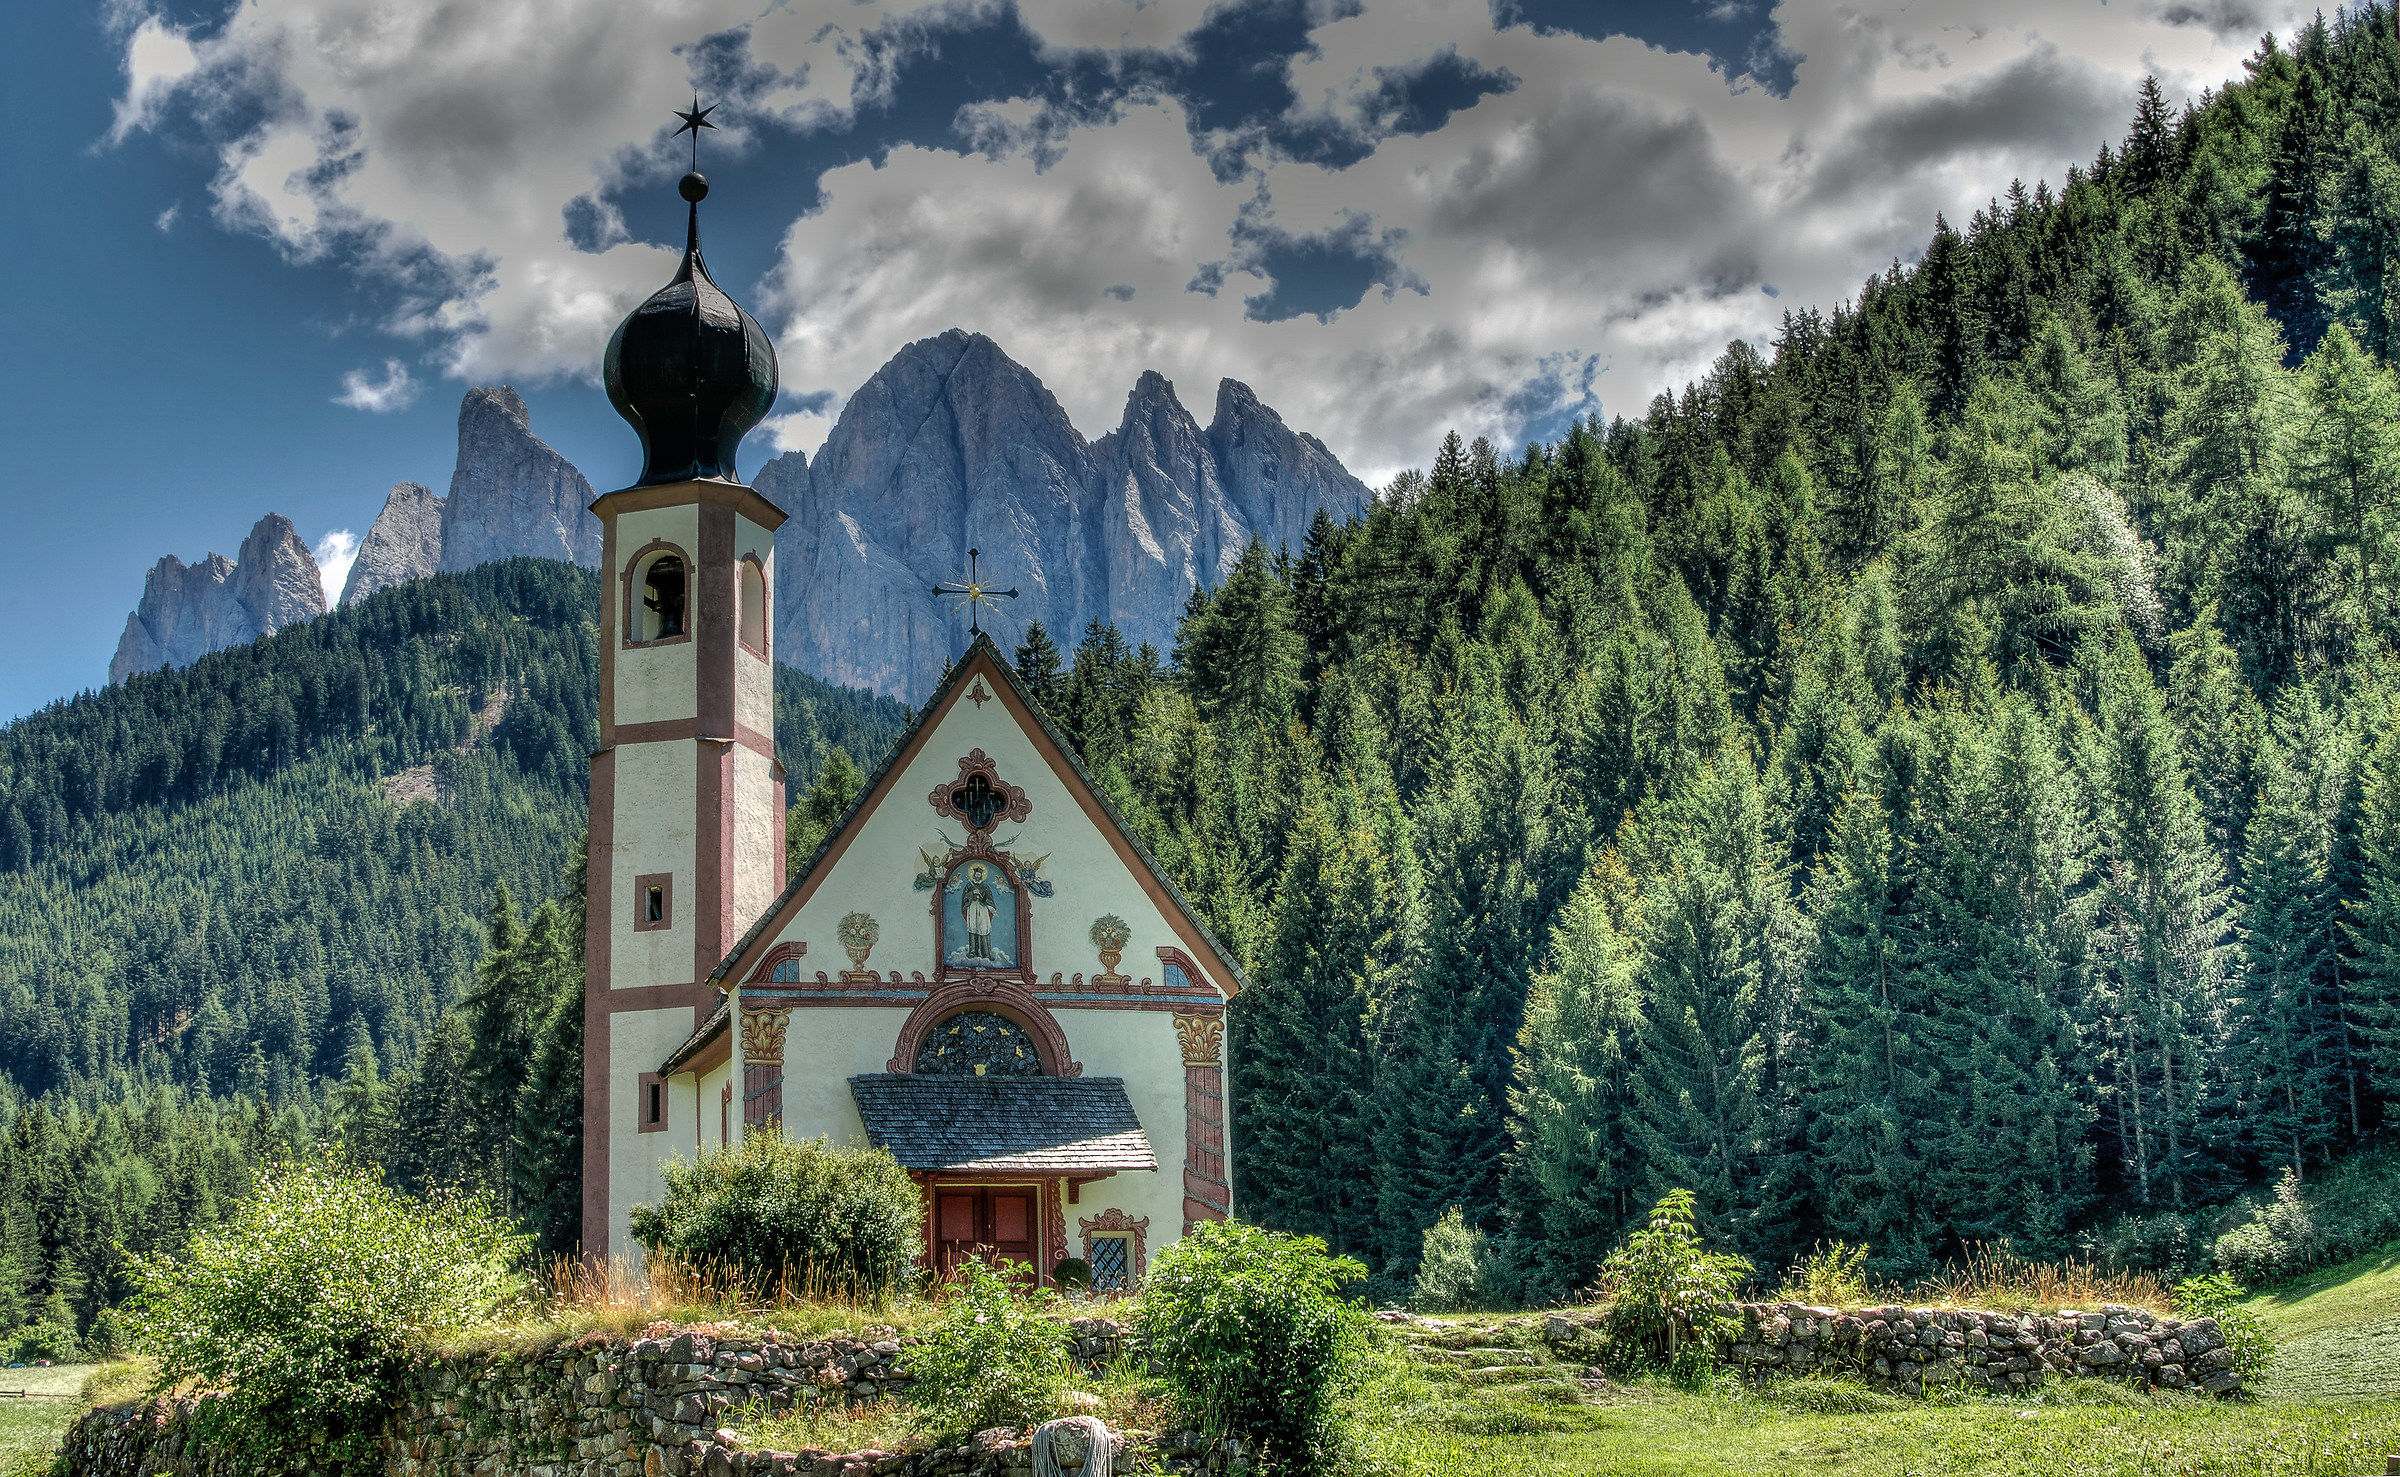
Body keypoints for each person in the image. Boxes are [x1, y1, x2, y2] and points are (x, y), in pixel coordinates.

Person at [960, 862, 998, 962]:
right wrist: (972, 893)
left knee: (983, 929)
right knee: (973, 928)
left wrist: (991, 908)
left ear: (981, 875)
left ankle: (986, 953)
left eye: (979, 875)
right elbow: (965, 898)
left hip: (983, 909)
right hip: (972, 908)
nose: (977, 876)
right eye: (976, 875)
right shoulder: (969, 885)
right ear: (973, 875)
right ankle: (973, 952)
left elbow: (989, 898)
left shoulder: (985, 887)